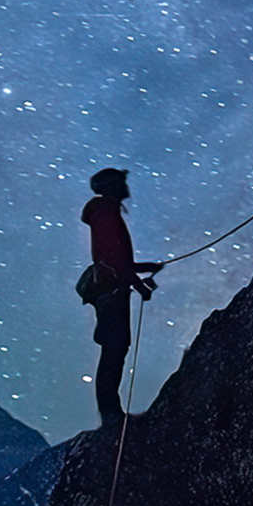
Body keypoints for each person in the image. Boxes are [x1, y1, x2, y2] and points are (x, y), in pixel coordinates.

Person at [81, 168, 161, 427]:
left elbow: (113, 257)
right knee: (115, 348)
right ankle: (111, 414)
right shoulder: (107, 212)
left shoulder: (104, 211)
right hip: (112, 290)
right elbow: (115, 258)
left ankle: (111, 412)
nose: (127, 187)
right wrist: (140, 286)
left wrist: (144, 268)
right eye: (122, 182)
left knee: (114, 348)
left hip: (109, 289)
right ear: (114, 186)